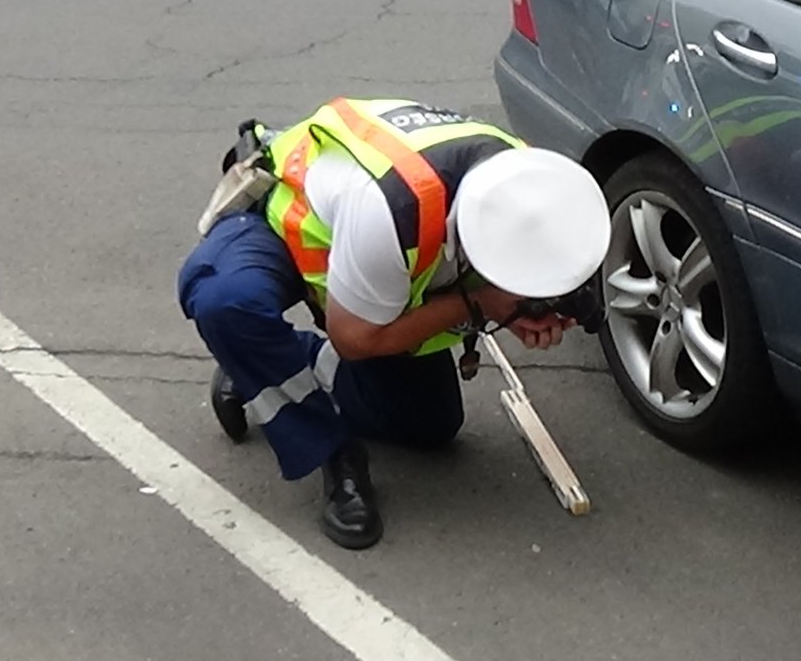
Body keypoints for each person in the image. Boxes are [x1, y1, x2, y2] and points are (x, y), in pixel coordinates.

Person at [178, 97, 611, 550]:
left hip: (374, 253)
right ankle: (332, 451)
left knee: (429, 423)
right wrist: (479, 303)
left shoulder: (526, 184)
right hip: (285, 218)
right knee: (227, 303)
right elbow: (354, 338)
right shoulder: (395, 209)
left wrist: (514, 309)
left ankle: (260, 363)